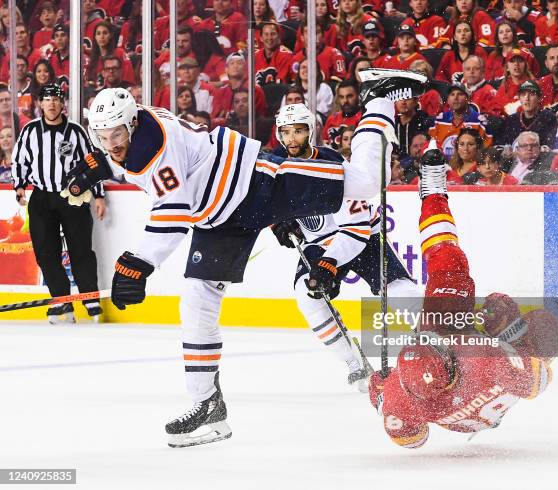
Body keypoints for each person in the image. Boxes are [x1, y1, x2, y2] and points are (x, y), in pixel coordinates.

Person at [61, 70, 428, 448]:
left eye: (117, 135)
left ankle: (378, 98)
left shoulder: (150, 146)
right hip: (219, 218)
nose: (111, 144)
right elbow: (130, 165)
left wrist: (137, 264)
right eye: (102, 138)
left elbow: (173, 210)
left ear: (132, 123)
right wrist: (97, 167)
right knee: (197, 300)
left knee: (368, 182)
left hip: (256, 183)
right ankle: (208, 405)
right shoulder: (135, 129)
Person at [368, 145, 558, 448]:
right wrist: (508, 349)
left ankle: (432, 194)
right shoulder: (488, 362)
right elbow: (542, 379)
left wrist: (380, 395)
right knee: (514, 313)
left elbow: (412, 440)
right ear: (449, 359)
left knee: (453, 270)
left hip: (463, 396)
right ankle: (433, 195)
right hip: (484, 374)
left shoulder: (401, 398)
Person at [270, 103, 420, 389]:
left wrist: (329, 264)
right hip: (317, 242)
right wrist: (277, 223)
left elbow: (355, 230)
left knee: (401, 290)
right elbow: (265, 203)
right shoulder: (277, 167)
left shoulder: (332, 164)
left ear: (310, 132)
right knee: (306, 294)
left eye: (299, 131)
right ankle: (353, 361)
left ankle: (436, 341)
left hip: (361, 236)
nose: (292, 139)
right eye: (286, 132)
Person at [11, 84, 106, 324]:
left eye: (56, 99)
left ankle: (90, 298)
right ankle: (61, 298)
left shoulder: (76, 131)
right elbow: (19, 160)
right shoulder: (30, 130)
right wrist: (19, 186)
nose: (52, 103)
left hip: (72, 196)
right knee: (45, 252)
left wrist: (99, 195)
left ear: (63, 103)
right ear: (40, 104)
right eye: (47, 99)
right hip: (42, 197)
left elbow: (92, 162)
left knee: (80, 248)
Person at [498, 80, 558, 147]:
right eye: (523, 95)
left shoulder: (548, 118)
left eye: (532, 94)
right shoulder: (511, 120)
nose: (527, 98)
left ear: (539, 98)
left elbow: (551, 146)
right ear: (519, 98)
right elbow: (501, 145)